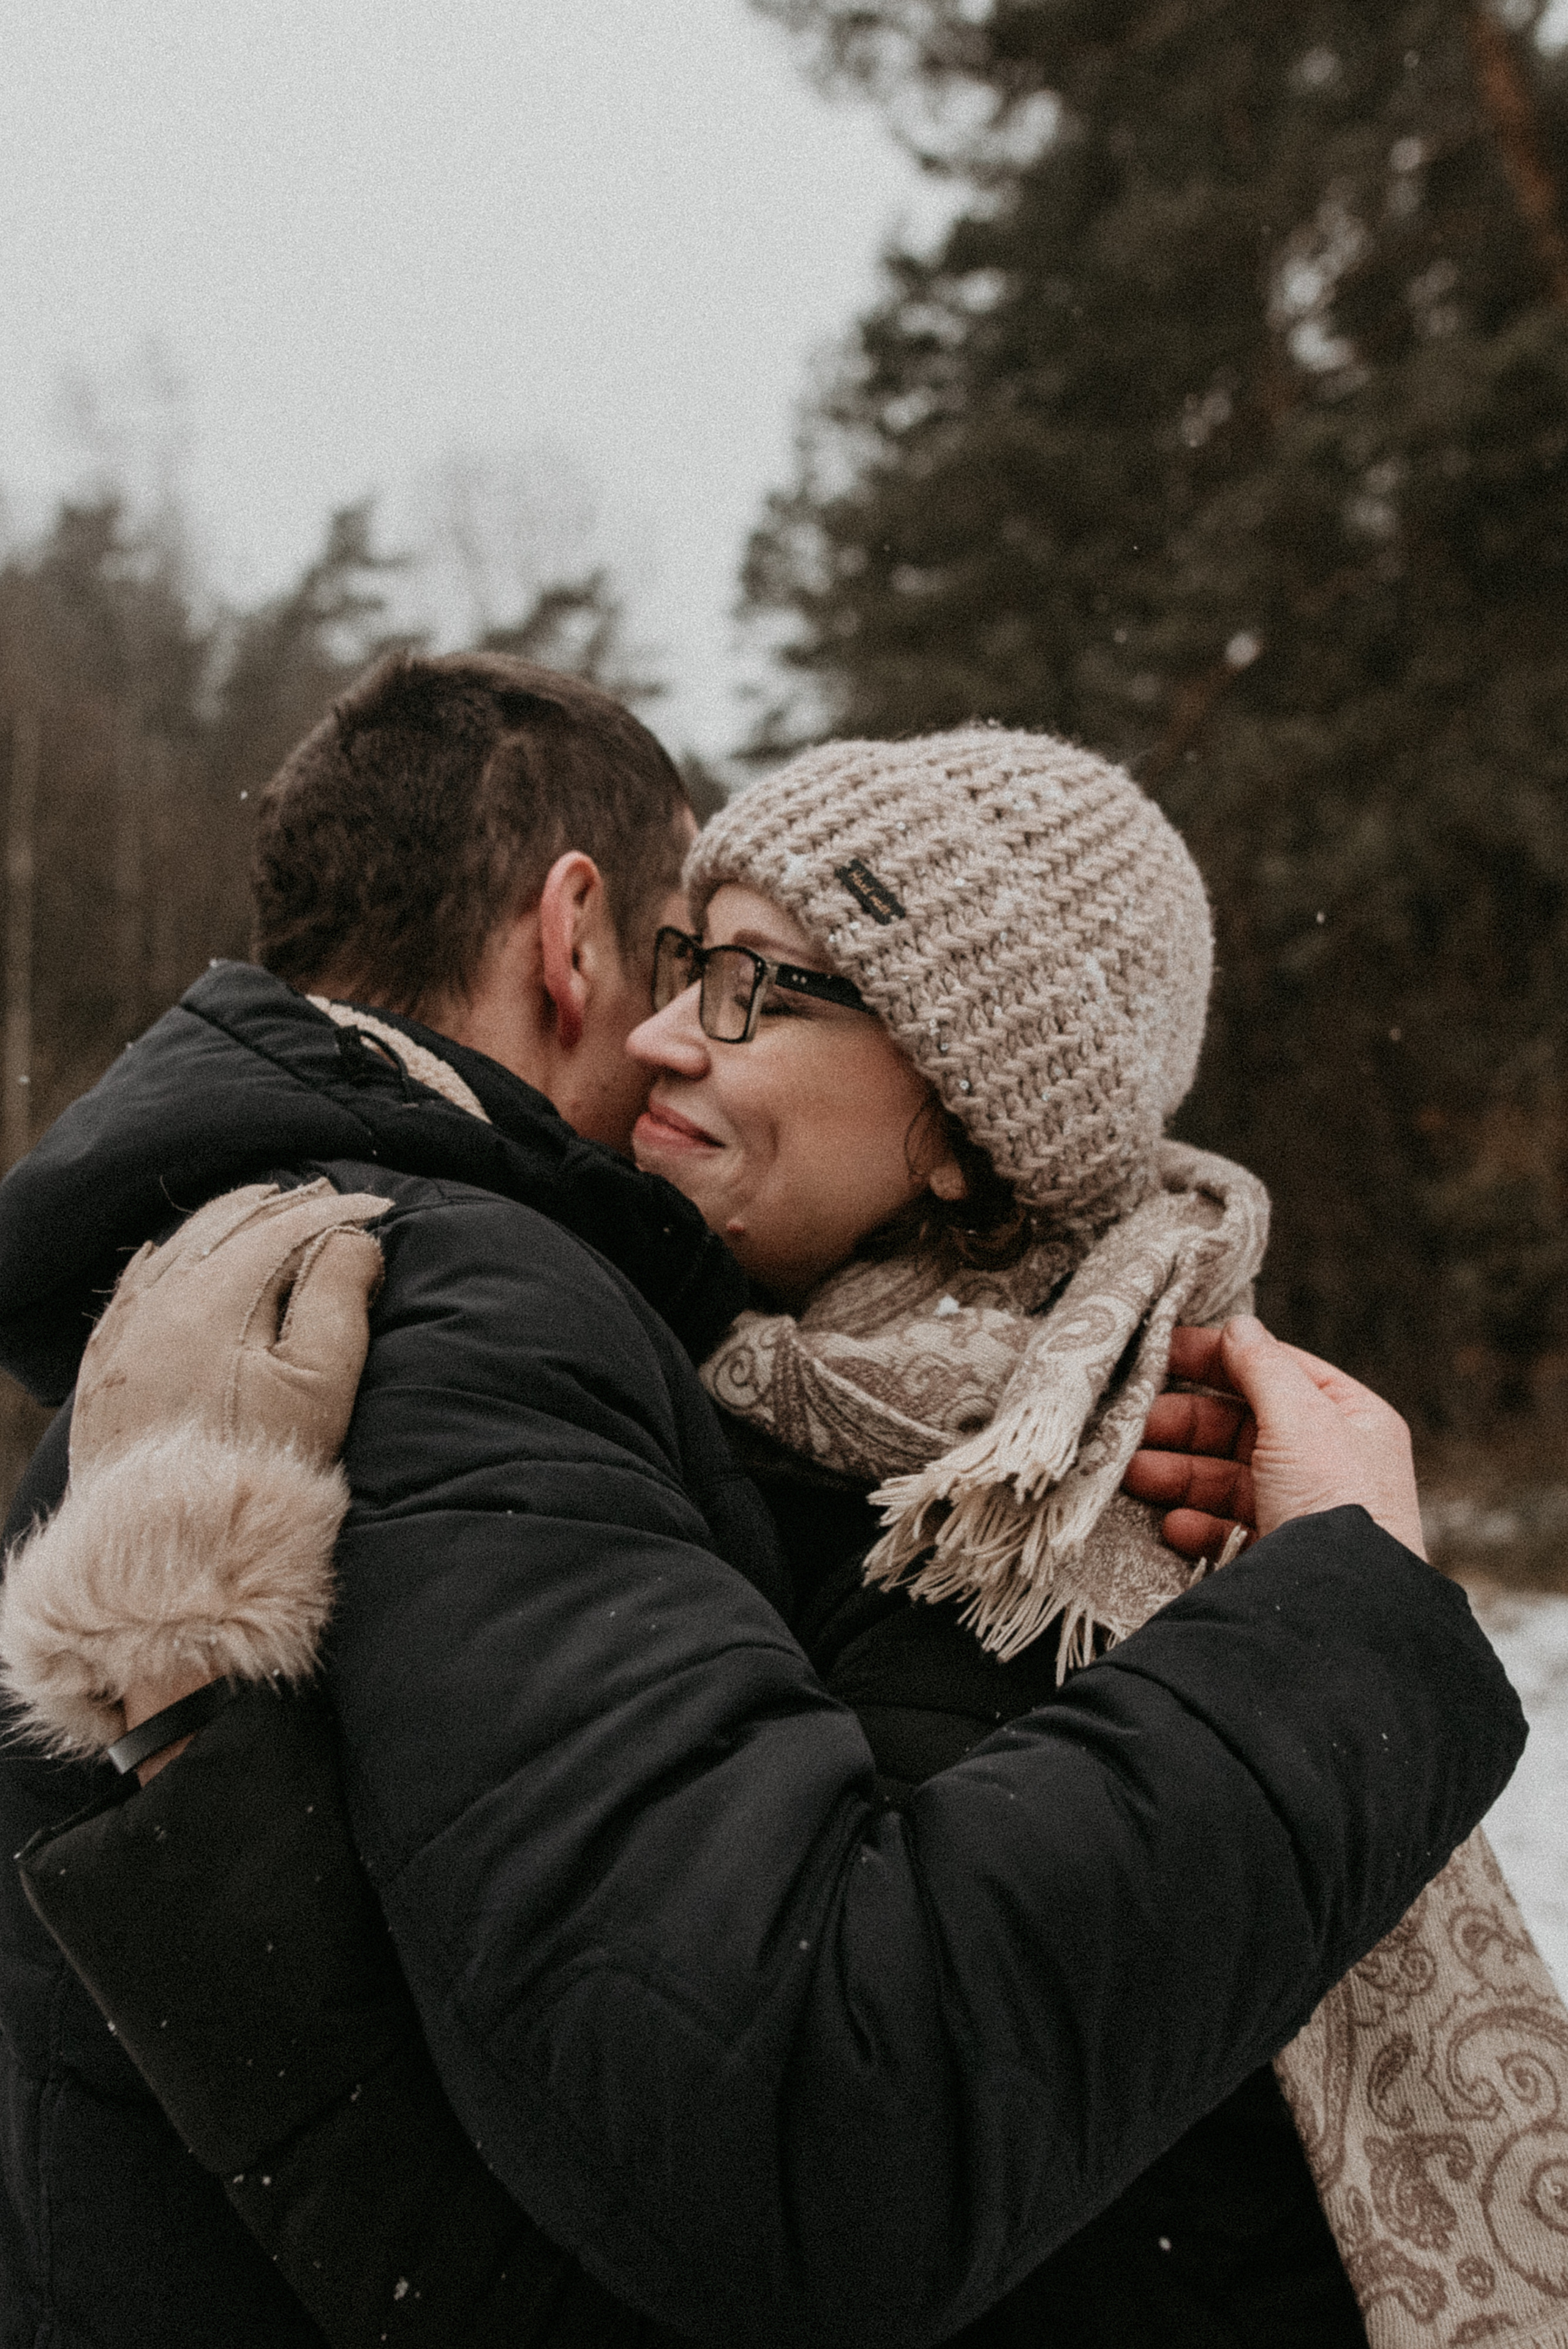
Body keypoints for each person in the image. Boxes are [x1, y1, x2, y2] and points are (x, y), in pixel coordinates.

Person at [0, 677, 1529, 2349]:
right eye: (682, 963)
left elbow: (819, 2125)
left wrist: (1349, 1622)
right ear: (572, 935)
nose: (667, 1036)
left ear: (968, 1116)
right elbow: (761, 2131)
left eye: (749, 987)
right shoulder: (648, 1380)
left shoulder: (1040, 1513)